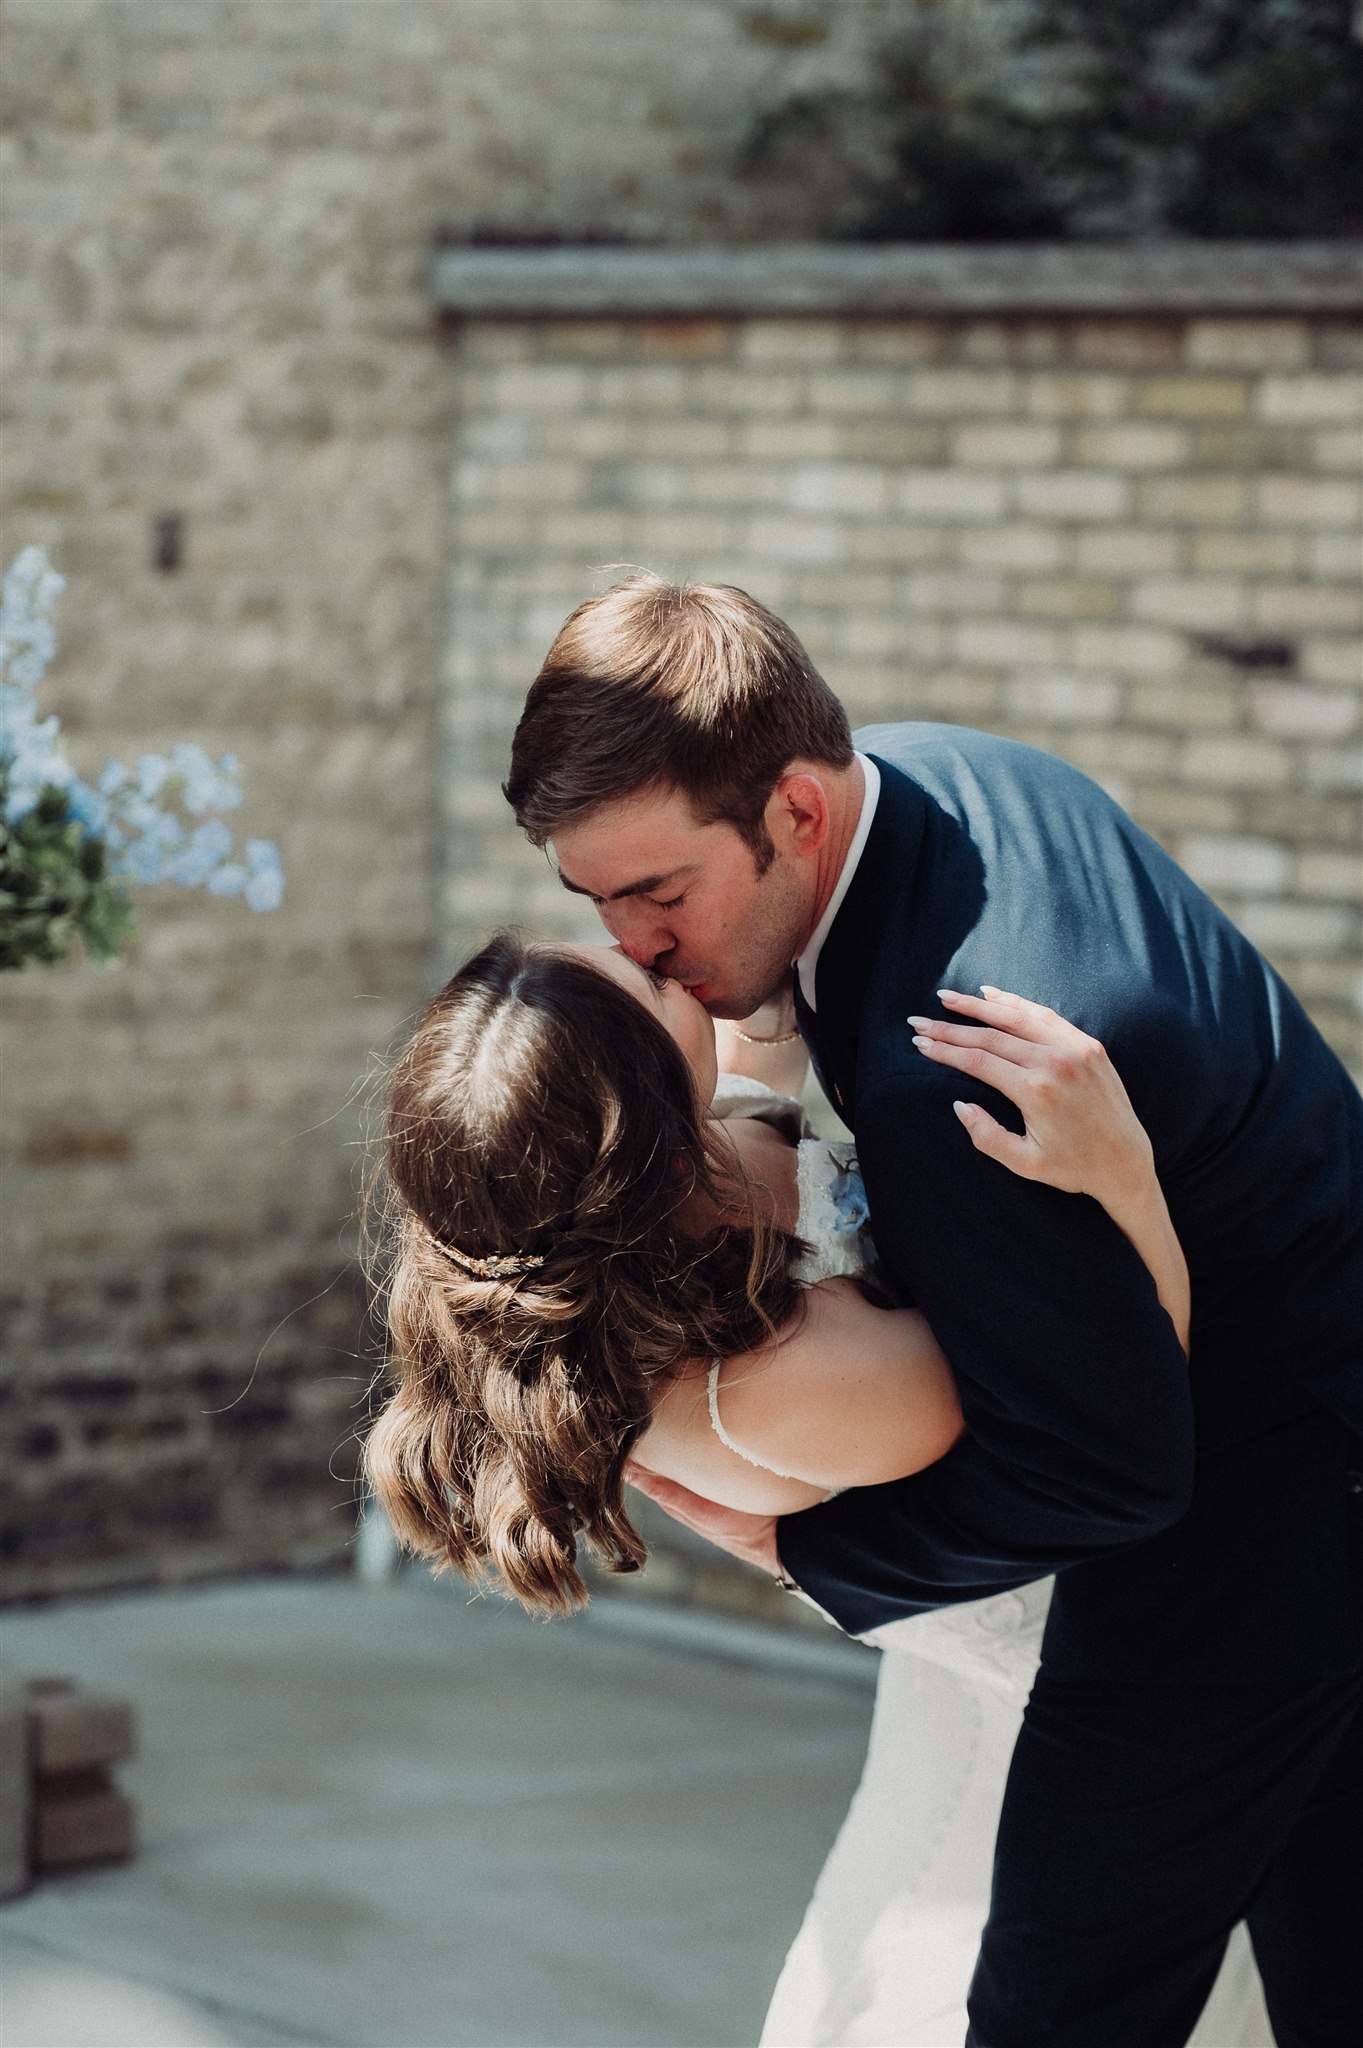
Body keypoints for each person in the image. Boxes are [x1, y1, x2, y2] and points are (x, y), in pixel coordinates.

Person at [503, 571, 1363, 2048]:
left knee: (1063, 1998)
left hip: (1260, 1514)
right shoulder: (941, 771)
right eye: (598, 903)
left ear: (796, 813)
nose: (638, 947)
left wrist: (816, 1552)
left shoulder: (953, 1061)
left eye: (660, 895)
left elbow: (1105, 1471)